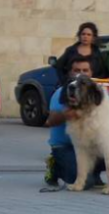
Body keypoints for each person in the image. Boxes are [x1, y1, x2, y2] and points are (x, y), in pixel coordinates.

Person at [41, 56, 105, 192]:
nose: (81, 73)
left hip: (89, 145)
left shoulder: (96, 93)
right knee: (85, 183)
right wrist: (68, 114)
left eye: (85, 70)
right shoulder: (63, 92)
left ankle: (95, 173)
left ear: (91, 73)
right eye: (76, 70)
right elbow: (50, 121)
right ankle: (55, 166)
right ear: (70, 72)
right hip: (65, 146)